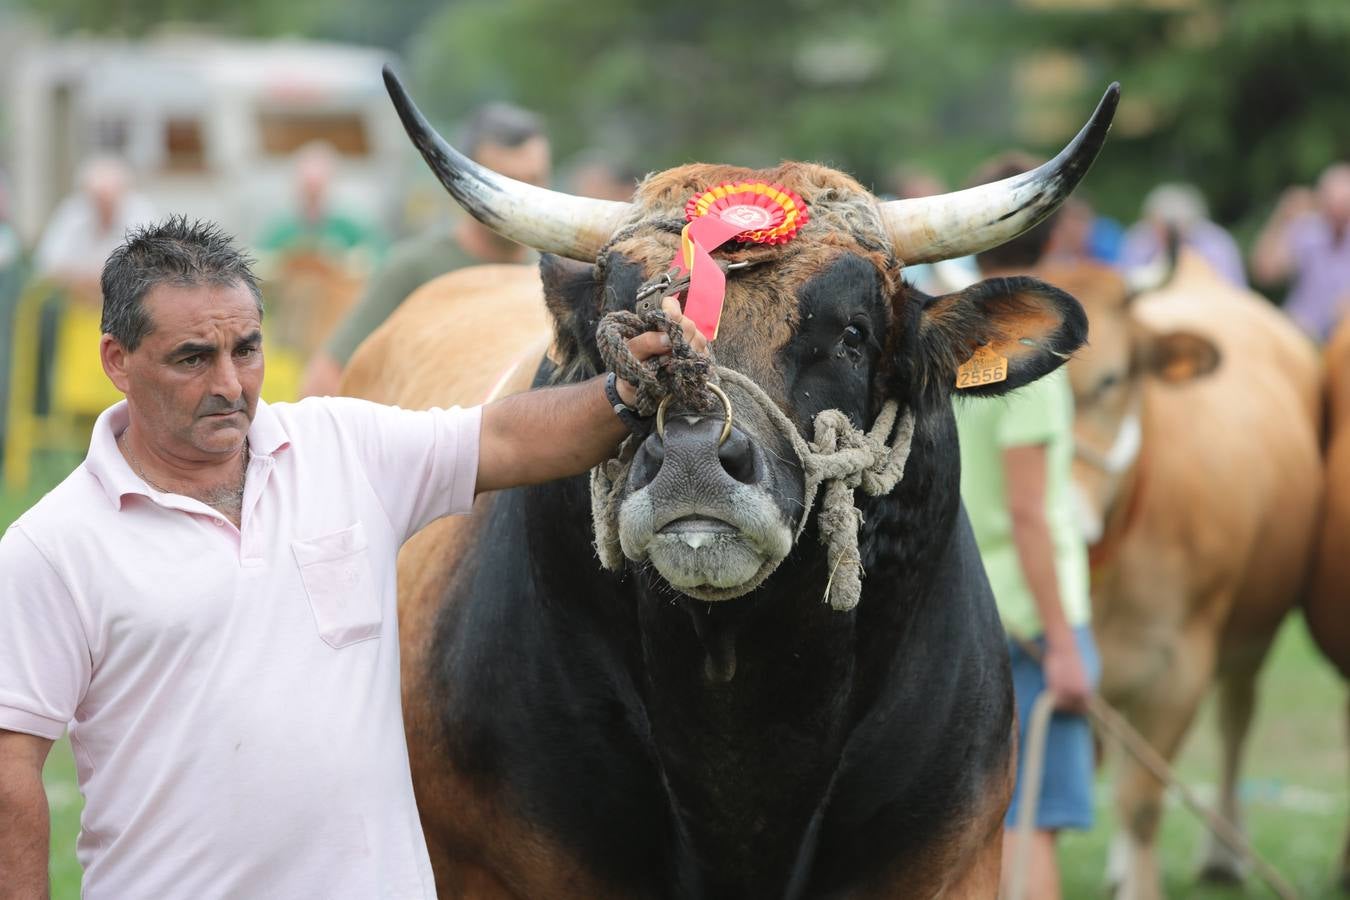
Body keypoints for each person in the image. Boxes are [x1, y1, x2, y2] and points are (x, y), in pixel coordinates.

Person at [0, 216, 703, 898]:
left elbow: (512, 440)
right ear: (116, 360)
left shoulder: (340, 447)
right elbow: (11, 775)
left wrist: (628, 390)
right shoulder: (54, 546)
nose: (229, 384)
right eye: (192, 358)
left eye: (246, 349)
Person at [952, 156, 1097, 900]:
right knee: (1031, 818)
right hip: (1029, 623)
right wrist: (1064, 644)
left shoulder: (950, 343)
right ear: (1054, 242)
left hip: (958, 607)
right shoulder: (1029, 352)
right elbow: (1032, 511)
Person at [300, 103, 551, 398]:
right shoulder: (414, 269)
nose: (523, 199)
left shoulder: (552, 276)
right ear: (462, 184)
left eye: (534, 180)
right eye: (504, 182)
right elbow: (328, 377)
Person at [1252, 162, 1350, 341]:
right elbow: (1265, 272)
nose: (1338, 210)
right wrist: (1283, 216)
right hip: (1300, 332)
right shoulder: (1307, 230)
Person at [34, 156, 156, 290]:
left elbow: (151, 267)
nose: (102, 205)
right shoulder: (73, 211)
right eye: (97, 198)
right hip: (75, 299)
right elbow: (46, 264)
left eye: (109, 198)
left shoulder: (141, 214)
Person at [256, 141, 384, 263]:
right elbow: (261, 260)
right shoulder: (280, 229)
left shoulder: (351, 225)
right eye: (308, 186)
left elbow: (377, 254)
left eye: (318, 187)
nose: (312, 195)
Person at [1120, 182, 1246, 287]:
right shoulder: (1139, 237)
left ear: (1190, 224)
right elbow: (1125, 278)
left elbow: (1231, 289)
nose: (1164, 236)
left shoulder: (1217, 244)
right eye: (1158, 228)